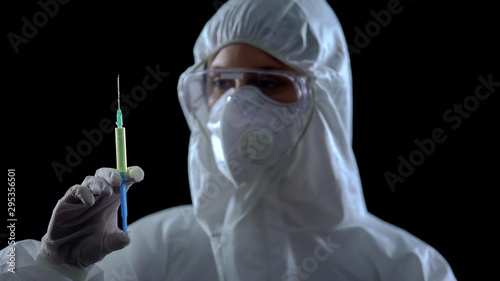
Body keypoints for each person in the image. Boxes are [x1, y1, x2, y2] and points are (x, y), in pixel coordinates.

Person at [1, 0, 457, 280]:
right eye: (223, 83)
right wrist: (56, 268)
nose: (238, 106)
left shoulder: (409, 269)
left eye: (268, 82)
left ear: (327, 97)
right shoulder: (153, 247)